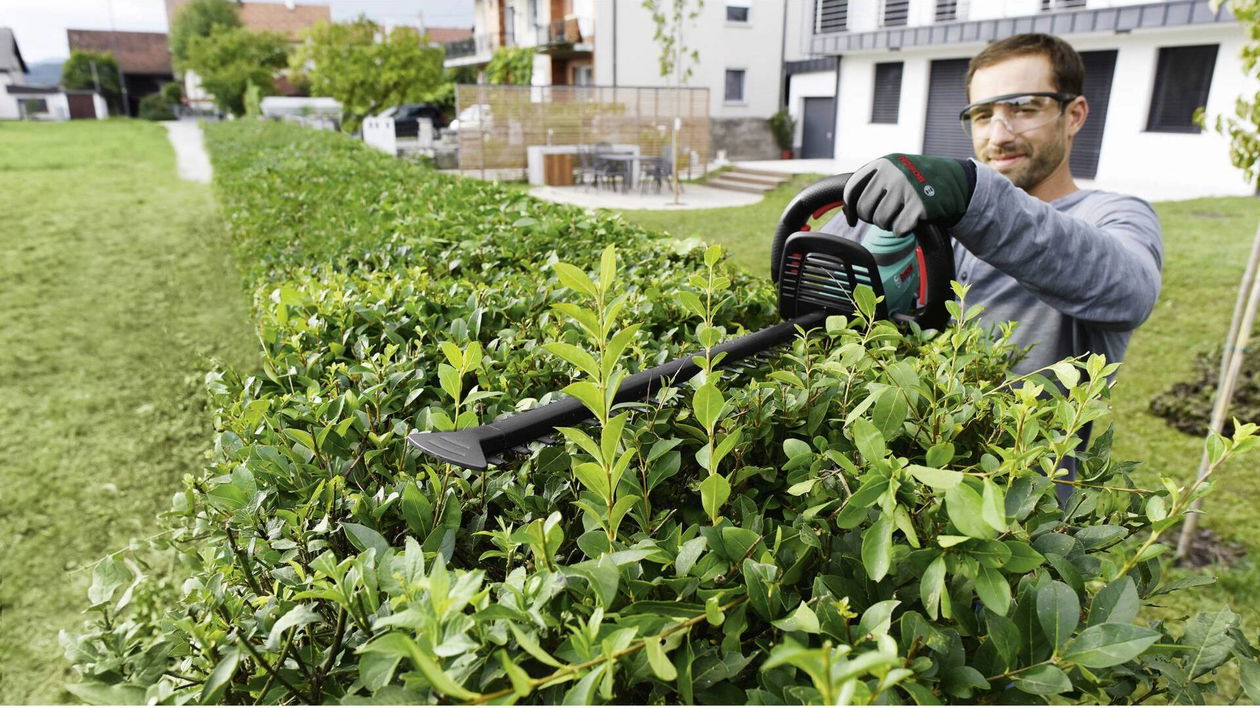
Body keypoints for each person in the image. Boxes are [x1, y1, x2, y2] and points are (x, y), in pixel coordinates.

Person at [833, 33, 1163, 379]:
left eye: (1023, 108)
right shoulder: (938, 204)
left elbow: (1131, 293)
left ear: (1075, 115)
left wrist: (972, 192)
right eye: (983, 114)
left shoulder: (1113, 214)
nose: (999, 136)